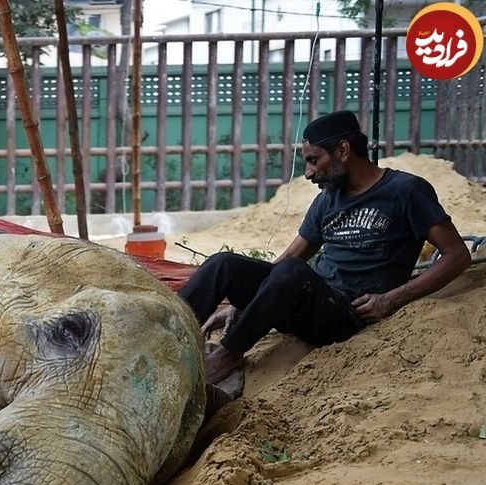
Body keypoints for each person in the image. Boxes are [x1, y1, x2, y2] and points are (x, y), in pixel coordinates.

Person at [179, 110, 472, 384]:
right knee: (223, 263)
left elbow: (457, 256)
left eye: (313, 160)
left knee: (293, 272)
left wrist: (391, 299)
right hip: (307, 300)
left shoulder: (406, 191)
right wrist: (245, 302)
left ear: (343, 151)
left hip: (348, 313)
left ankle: (228, 354)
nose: (308, 173)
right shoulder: (328, 199)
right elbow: (292, 255)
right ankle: (167, 339)